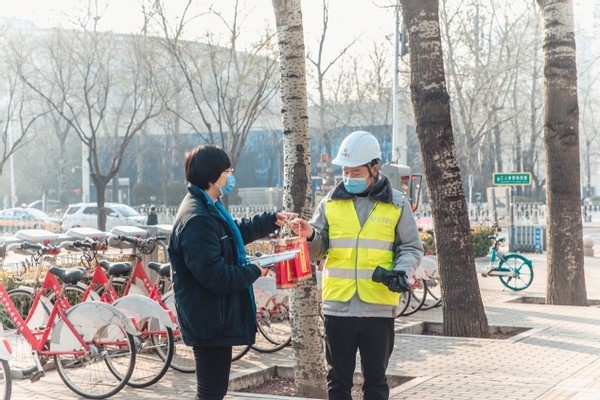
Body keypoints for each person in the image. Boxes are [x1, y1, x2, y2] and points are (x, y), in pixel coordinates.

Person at [292, 131, 423, 400]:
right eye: (346, 172)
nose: (349, 177)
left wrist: (402, 271)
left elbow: (411, 248)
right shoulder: (330, 203)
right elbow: (319, 248)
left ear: (374, 168)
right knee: (338, 382)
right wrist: (310, 236)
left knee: (376, 381)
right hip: (338, 307)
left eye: (355, 172)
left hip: (378, 307)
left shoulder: (397, 203)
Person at [168, 144, 296, 400]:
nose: (231, 175)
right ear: (212, 176)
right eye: (228, 171)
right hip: (209, 318)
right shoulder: (197, 218)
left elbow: (233, 233)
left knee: (213, 391)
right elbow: (216, 276)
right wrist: (254, 270)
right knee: (210, 393)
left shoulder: (208, 206)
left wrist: (271, 220)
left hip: (215, 316)